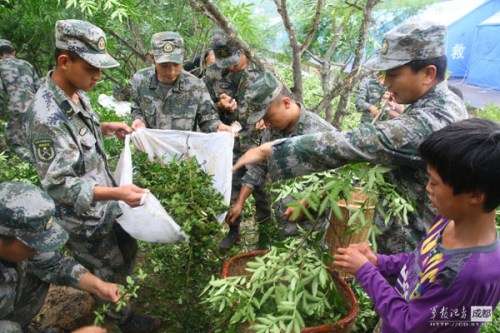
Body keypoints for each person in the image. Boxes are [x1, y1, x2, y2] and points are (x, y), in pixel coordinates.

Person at [234, 20, 469, 254]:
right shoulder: (432, 106)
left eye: (394, 74)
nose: (386, 83)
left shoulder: (435, 118)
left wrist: (272, 150)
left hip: (420, 252)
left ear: (428, 74)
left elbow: (362, 143)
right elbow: (374, 166)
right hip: (408, 249)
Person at [25, 19, 159, 332]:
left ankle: (123, 305)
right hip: (84, 218)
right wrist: (118, 193)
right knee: (106, 270)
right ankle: (119, 321)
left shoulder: (76, 91)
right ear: (64, 61)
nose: (98, 76)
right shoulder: (45, 115)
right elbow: (59, 185)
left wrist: (104, 128)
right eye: (91, 68)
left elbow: (75, 136)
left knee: (126, 251)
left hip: (107, 202)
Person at [334, 118, 500, 333]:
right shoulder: (449, 220)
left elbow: (408, 324)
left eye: (434, 182)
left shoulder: (470, 275)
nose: (427, 188)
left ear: (475, 195)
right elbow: (418, 262)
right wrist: (379, 262)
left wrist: (365, 272)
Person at [226, 72, 334, 240]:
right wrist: (240, 202)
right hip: (282, 221)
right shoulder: (273, 129)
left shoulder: (321, 133)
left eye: (268, 117)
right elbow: (259, 168)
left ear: (286, 103)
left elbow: (340, 179)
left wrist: (307, 204)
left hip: (312, 228)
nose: (265, 124)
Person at [0, 181, 120, 333]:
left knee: (37, 269)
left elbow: (56, 264)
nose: (38, 249)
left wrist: (99, 286)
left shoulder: (21, 248)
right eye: (32, 244)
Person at [204, 30, 274, 250]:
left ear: (243, 50)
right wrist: (219, 105)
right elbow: (204, 107)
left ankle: (265, 238)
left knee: (262, 192)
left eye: (234, 61)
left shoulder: (264, 70)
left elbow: (281, 102)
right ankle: (233, 232)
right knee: (231, 189)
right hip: (230, 144)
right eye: (226, 63)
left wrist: (267, 117)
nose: (231, 67)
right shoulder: (213, 73)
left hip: (260, 141)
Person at [130, 32, 227, 133]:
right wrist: (138, 120)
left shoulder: (195, 86)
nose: (171, 72)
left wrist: (218, 127)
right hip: (150, 147)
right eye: (164, 65)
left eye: (176, 65)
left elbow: (208, 119)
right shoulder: (140, 80)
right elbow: (136, 107)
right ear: (153, 59)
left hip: (182, 147)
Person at [0, 39, 41, 161]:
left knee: (16, 145)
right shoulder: (27, 65)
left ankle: (31, 167)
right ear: (13, 52)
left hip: (14, 111)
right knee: (35, 142)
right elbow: (39, 88)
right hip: (34, 109)